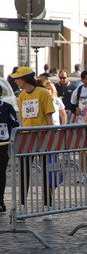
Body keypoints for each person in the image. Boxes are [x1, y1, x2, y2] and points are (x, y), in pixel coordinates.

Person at [11, 67, 55, 210]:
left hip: (42, 137)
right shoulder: (21, 96)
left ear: (24, 79)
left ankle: (48, 204)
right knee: (24, 172)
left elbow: (49, 117)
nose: (16, 81)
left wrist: (51, 137)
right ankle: (22, 204)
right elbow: (23, 119)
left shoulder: (43, 93)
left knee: (45, 172)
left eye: (18, 78)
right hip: (27, 138)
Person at [70, 70, 87, 184]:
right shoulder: (78, 90)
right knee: (83, 150)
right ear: (82, 79)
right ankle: (83, 174)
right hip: (83, 123)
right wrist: (76, 111)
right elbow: (71, 104)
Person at [0, 84, 19, 213]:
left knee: (0, 172)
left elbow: (15, 124)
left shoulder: (7, 107)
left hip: (3, 146)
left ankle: (0, 201)